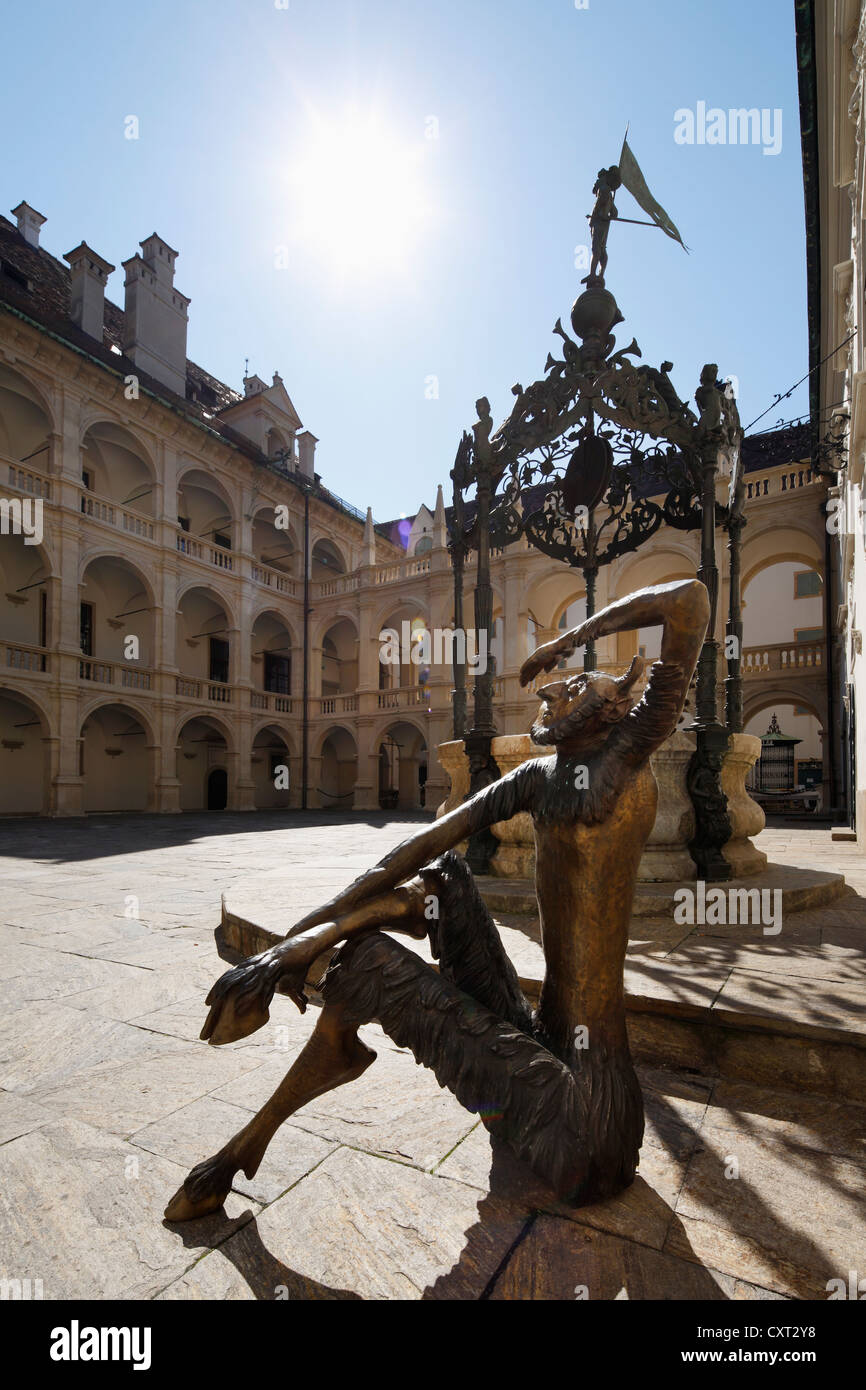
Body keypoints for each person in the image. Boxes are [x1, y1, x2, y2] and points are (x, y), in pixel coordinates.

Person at [165, 579, 709, 1222]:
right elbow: (417, 850)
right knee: (445, 876)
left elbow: (689, 602)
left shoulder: (625, 758)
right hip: (544, 1055)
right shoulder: (540, 776)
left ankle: (241, 1152)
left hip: (583, 1127)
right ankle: (319, 998)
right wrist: (296, 940)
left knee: (369, 964)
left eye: (578, 685)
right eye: (559, 681)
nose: (552, 688)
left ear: (617, 708)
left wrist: (570, 639)